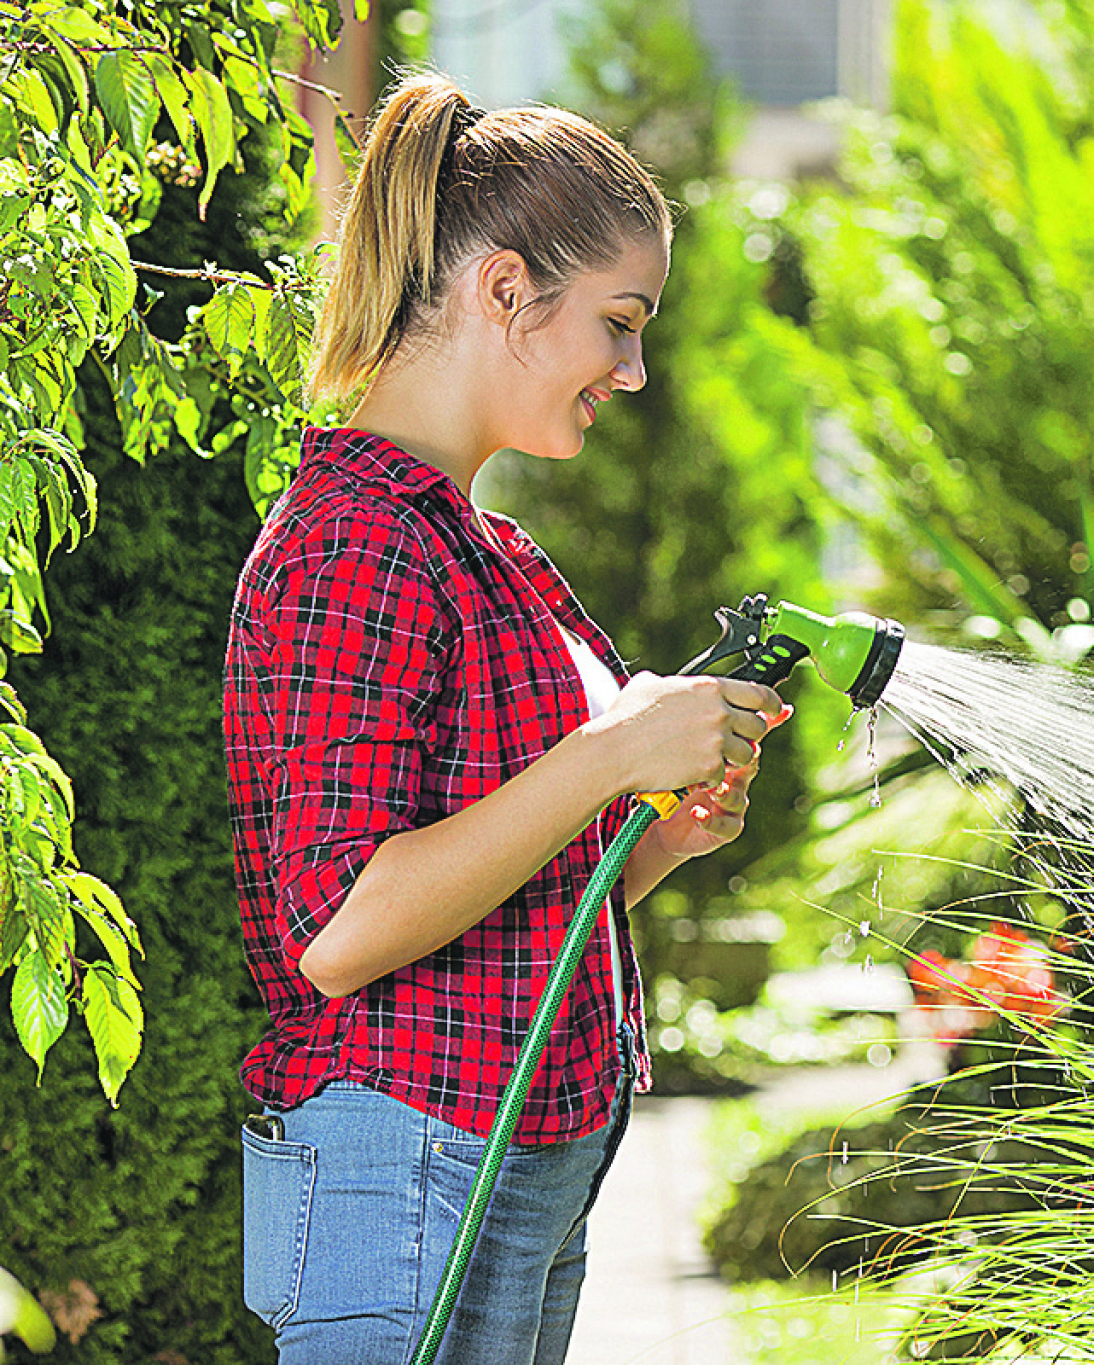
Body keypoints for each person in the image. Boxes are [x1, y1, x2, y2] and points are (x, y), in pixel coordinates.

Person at [224, 71, 785, 1365]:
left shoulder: (493, 554)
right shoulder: (356, 550)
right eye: (619, 323)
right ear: (503, 290)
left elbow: (518, 894)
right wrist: (606, 756)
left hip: (502, 1160)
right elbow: (342, 929)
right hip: (399, 1164)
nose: (634, 372)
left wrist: (657, 837)